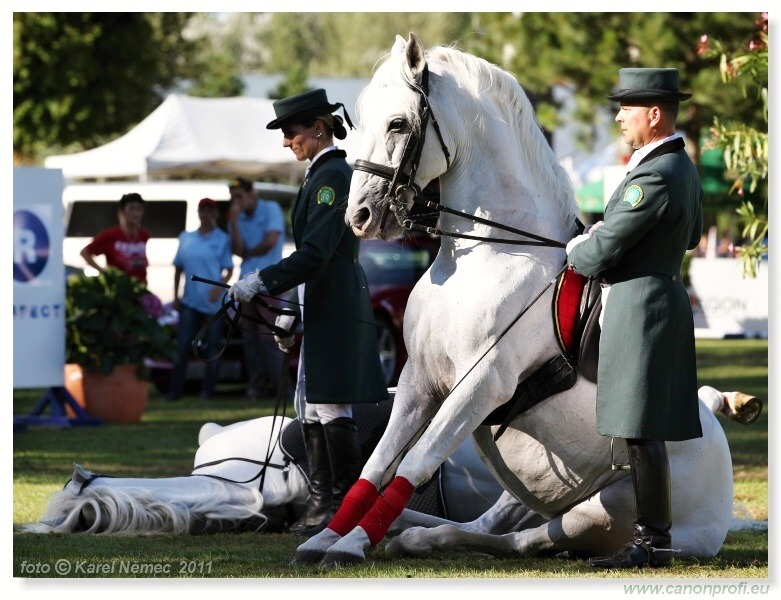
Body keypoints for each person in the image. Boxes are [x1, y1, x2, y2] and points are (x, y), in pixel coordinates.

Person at [229, 89, 387, 537]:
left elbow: (316, 253)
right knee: (316, 408)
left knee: (331, 405)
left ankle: (342, 506)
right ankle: (323, 504)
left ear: (318, 128)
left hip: (334, 302)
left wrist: (261, 281)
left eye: (290, 132)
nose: (285, 142)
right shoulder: (321, 173)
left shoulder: (333, 175)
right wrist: (288, 314)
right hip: (320, 300)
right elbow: (314, 256)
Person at [566, 68, 703, 569]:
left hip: (639, 307)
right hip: (659, 296)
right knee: (642, 429)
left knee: (642, 431)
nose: (619, 116)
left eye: (627, 107)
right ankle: (654, 540)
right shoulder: (681, 168)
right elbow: (689, 237)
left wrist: (580, 245)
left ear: (654, 113)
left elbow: (597, 253)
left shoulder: (654, 173)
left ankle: (652, 543)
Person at [167, 198, 234, 401]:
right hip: (190, 301)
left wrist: (218, 288)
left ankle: (207, 391)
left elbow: (229, 269)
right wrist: (176, 294)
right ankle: (174, 391)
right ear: (198, 213)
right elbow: (178, 267)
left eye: (210, 211)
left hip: (213, 304)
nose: (206, 214)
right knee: (182, 347)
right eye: (202, 210)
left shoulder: (222, 239)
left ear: (215, 214)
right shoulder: (186, 237)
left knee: (213, 349)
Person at [227, 177, 287, 401]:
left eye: (240, 196)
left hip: (268, 282)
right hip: (245, 284)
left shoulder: (271, 209)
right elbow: (237, 249)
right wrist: (233, 222)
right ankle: (257, 387)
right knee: (250, 338)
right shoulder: (237, 217)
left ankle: (281, 388)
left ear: (252, 193)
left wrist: (248, 252)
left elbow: (271, 241)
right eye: (233, 198)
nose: (237, 202)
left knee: (268, 337)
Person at [80, 192, 150, 283]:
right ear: (122, 211)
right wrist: (103, 272)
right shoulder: (111, 235)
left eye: (139, 209)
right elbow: (85, 253)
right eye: (131, 209)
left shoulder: (144, 235)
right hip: (118, 288)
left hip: (141, 286)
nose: (135, 213)